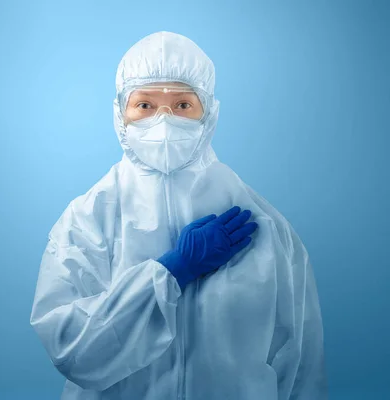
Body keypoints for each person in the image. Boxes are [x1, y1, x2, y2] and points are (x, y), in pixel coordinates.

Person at [29, 31, 328, 399]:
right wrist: (172, 270)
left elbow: (301, 360)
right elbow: (71, 349)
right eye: (145, 105)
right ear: (120, 114)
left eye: (183, 105)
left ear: (209, 113)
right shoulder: (88, 219)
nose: (164, 121)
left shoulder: (261, 224)